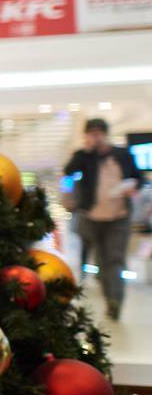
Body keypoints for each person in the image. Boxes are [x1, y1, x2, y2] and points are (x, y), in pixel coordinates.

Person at [63, 117, 142, 320]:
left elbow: (139, 178)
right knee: (101, 260)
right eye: (91, 133)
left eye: (98, 133)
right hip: (93, 217)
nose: (95, 137)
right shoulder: (83, 157)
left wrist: (132, 187)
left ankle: (114, 301)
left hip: (119, 216)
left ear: (106, 134)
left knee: (114, 260)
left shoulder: (122, 154)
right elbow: (68, 171)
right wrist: (86, 151)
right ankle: (109, 295)